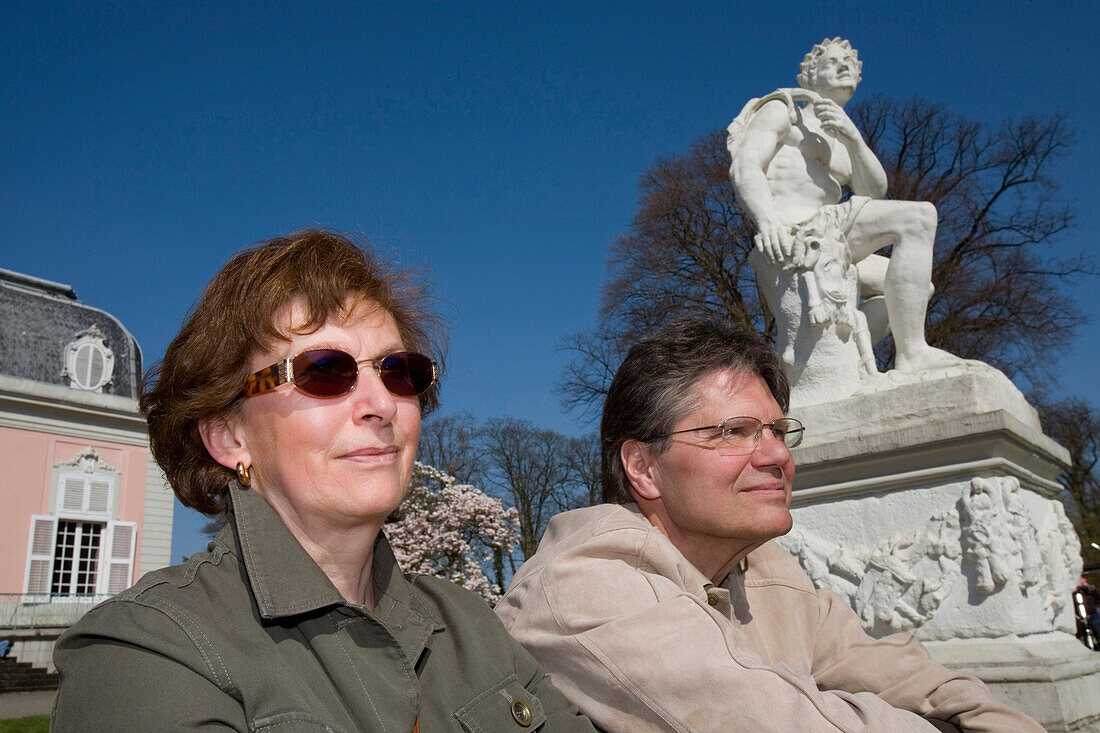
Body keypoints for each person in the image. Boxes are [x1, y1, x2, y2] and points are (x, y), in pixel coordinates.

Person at [52, 230, 594, 732]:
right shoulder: (148, 650)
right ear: (228, 436)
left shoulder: (474, 628)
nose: (382, 403)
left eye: (397, 371)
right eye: (324, 371)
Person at [496, 315, 1043, 732]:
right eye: (733, 432)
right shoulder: (583, 588)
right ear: (643, 467)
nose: (776, 456)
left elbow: (906, 674)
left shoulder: (761, 570)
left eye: (778, 431)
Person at [729, 38, 956, 373]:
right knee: (919, 218)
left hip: (833, 229)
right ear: (808, 74)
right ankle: (913, 353)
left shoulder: (841, 135)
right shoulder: (783, 110)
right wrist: (766, 222)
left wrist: (854, 139)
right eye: (834, 61)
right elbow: (745, 165)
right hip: (799, 229)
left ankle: (856, 362)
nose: (845, 67)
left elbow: (873, 191)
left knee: (917, 287)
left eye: (850, 65)